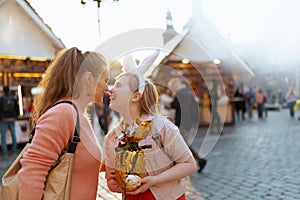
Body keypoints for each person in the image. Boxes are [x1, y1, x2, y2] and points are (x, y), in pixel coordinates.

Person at [18, 47, 110, 199]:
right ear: (88, 79)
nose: (107, 88)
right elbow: (32, 170)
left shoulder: (79, 114)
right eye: (105, 80)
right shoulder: (64, 113)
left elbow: (74, 164)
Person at [103, 51, 197, 200]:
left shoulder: (161, 127)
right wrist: (119, 182)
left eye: (118, 86)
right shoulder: (111, 138)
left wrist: (154, 180)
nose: (110, 90)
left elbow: (189, 164)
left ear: (136, 96)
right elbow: (111, 183)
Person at [168, 77, 207, 173]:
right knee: (183, 143)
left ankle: (198, 160)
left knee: (183, 144)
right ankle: (197, 160)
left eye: (172, 87)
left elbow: (173, 106)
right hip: (188, 122)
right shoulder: (189, 93)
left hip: (181, 122)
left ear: (175, 86)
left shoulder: (179, 94)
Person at [0, 86, 19, 157]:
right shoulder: (13, 98)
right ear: (9, 91)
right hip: (12, 118)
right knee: (13, 135)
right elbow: (17, 108)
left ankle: (5, 152)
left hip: (3, 119)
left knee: (3, 136)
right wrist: (16, 116)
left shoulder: (1, 99)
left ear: (3, 91)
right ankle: (14, 150)